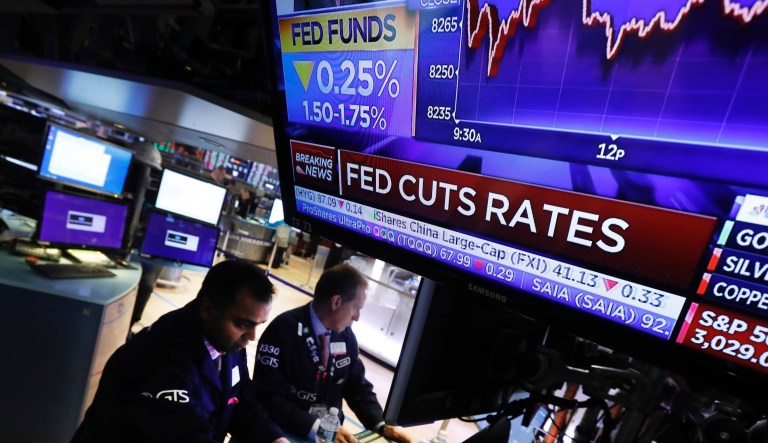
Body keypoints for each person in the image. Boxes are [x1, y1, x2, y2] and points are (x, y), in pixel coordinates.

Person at [72, 260, 289, 443]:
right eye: (243, 324)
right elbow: (185, 434)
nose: (251, 337)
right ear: (207, 309)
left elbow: (241, 398)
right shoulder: (156, 357)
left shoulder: (228, 340)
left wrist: (274, 438)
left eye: (257, 325)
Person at [252, 264, 411, 443]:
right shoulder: (282, 331)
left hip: (329, 434)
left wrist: (381, 424)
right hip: (286, 434)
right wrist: (313, 426)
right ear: (336, 302)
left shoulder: (345, 336)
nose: (357, 317)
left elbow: (357, 386)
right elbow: (267, 397)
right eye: (356, 308)